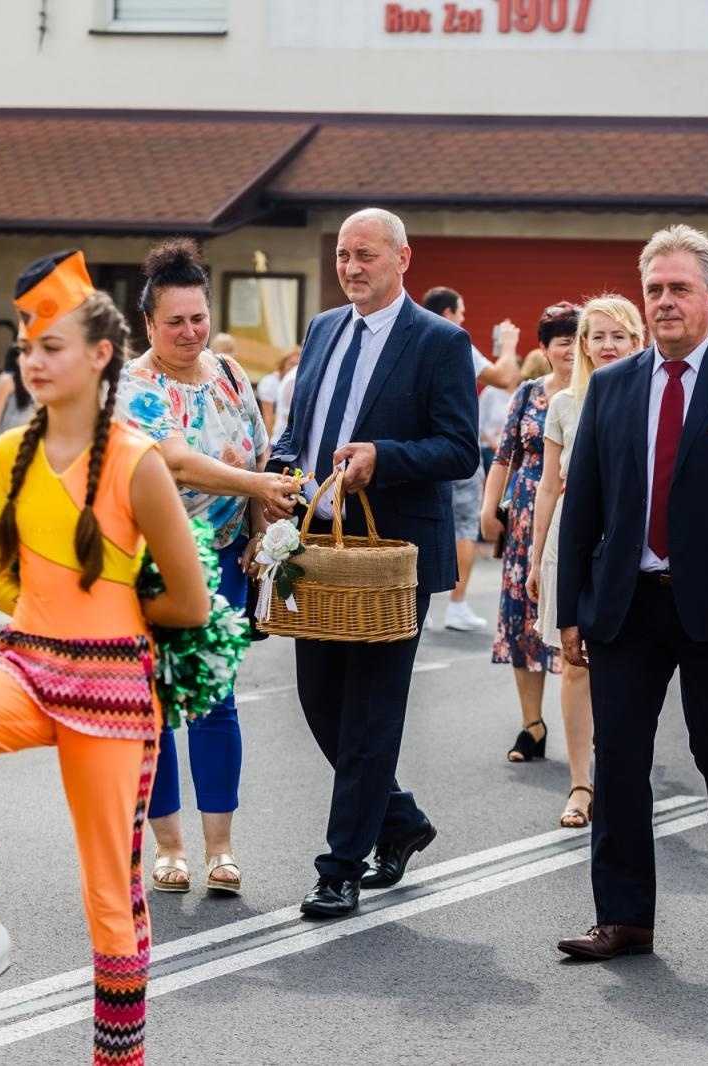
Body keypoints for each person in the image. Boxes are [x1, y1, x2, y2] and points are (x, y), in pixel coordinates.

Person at [0, 251, 209, 1057]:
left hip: (113, 685)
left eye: (51, 346)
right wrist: (49, 613)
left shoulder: (139, 462)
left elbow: (190, 601)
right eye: (25, 345)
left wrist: (107, 609)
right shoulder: (8, 454)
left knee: (110, 899)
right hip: (26, 661)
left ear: (101, 354)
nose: (31, 360)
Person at [554, 225, 708, 961]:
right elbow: (584, 509)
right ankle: (625, 918)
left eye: (679, 289)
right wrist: (571, 610)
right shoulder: (612, 385)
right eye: (654, 289)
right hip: (628, 607)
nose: (664, 302)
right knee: (618, 756)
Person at [263, 207, 479, 919]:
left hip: (392, 558)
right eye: (343, 256)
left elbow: (458, 448)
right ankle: (399, 819)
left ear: (402, 259)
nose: (352, 268)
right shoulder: (324, 328)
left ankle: (340, 867)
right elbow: (298, 431)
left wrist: (383, 460)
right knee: (320, 702)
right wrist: (277, 473)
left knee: (370, 714)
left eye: (365, 255)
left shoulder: (440, 342)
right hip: (320, 550)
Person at [114, 238, 302, 897]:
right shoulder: (136, 387)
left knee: (216, 701)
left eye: (198, 317)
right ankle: (169, 848)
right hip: (155, 568)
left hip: (222, 560)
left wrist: (257, 531)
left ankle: (220, 847)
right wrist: (256, 489)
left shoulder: (226, 371)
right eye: (175, 322)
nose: (190, 332)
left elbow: (260, 450)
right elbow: (177, 462)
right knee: (161, 704)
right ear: (148, 325)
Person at [526, 294, 642, 827]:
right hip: (570, 542)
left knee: (630, 668)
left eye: (618, 335)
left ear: (637, 340)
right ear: (583, 344)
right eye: (597, 336)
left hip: (633, 542)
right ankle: (580, 784)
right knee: (574, 664)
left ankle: (622, 776)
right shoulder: (563, 405)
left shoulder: (650, 394)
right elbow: (548, 487)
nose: (607, 345)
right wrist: (533, 556)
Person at [480, 303, 575, 761]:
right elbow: (505, 456)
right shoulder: (529, 394)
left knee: (577, 619)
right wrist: (487, 507)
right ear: (545, 348)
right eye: (563, 343)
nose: (574, 351)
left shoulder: (600, 391)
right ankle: (532, 726)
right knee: (523, 619)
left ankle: (591, 726)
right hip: (524, 517)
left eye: (581, 340)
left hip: (577, 513)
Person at [423, 285, 522, 632]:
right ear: (448, 313)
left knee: (419, 521)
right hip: (452, 445)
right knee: (464, 524)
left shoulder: (410, 334)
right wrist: (508, 347)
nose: (463, 318)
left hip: (416, 447)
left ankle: (419, 604)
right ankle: (457, 605)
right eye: (462, 311)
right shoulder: (452, 336)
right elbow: (504, 376)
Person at [0, 343, 36, 441]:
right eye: (25, 355)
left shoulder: (31, 379)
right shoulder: (6, 380)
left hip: (29, 438)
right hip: (9, 438)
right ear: (16, 359)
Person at [258, 347, 300, 436]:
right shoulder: (269, 383)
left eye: (297, 365)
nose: (294, 368)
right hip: (276, 437)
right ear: (283, 364)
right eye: (291, 364)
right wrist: (267, 446)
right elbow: (267, 417)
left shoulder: (295, 383)